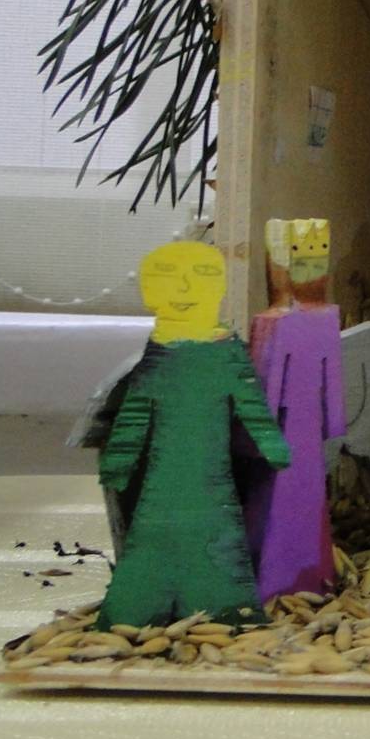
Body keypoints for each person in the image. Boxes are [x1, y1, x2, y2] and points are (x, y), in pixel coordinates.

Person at [95, 242, 290, 630]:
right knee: (155, 533)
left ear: (219, 288)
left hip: (208, 478)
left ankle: (222, 607)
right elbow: (136, 409)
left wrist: (272, 444)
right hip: (164, 482)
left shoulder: (226, 351)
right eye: (167, 277)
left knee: (214, 536)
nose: (183, 289)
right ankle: (137, 609)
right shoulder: (160, 352)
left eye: (201, 277)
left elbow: (250, 403)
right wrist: (120, 458)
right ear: (149, 291)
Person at [240, 218, 346, 601]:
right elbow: (266, 380)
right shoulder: (274, 322)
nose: (312, 267)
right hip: (283, 427)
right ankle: (275, 574)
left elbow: (331, 374)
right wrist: (261, 431)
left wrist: (334, 420)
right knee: (275, 494)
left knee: (305, 494)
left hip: (305, 425)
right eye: (302, 255)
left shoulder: (325, 317)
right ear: (280, 262)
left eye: (320, 256)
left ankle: (307, 572)